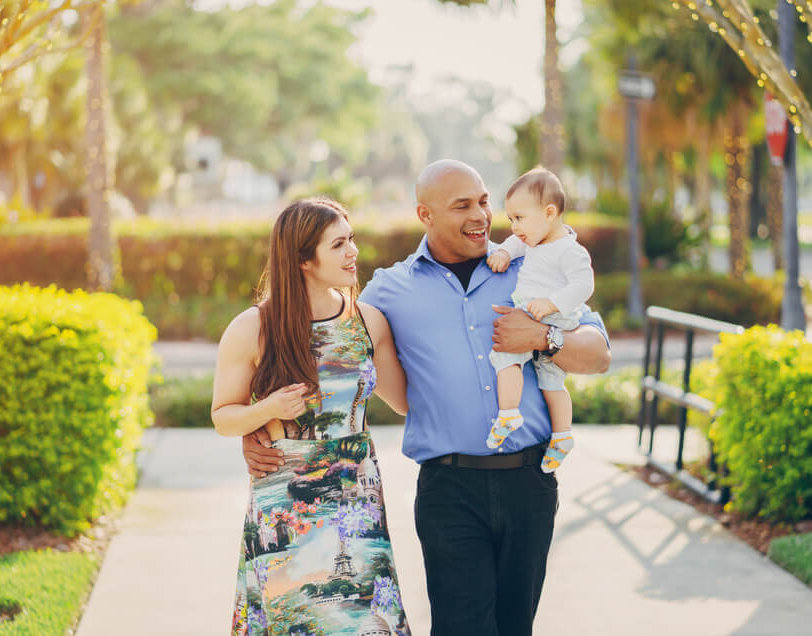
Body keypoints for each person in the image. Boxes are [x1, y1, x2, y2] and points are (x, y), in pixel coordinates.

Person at [242, 160, 611, 636]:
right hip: (449, 489)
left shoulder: (532, 265)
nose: (481, 215)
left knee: (515, 626)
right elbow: (323, 355)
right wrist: (260, 427)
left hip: (530, 483)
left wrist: (542, 337)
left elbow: (598, 355)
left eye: (483, 201)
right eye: (463, 206)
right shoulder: (388, 291)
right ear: (426, 214)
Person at [212, 198, 412, 636]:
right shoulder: (253, 328)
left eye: (352, 239)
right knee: (297, 621)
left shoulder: (368, 322)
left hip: (356, 498)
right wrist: (267, 410)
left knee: (364, 621)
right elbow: (224, 417)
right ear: (303, 259)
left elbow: (404, 401)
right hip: (286, 505)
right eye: (338, 244)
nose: (352, 252)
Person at [485, 167, 595, 474]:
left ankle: (509, 414)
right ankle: (561, 437)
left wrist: (551, 303)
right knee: (547, 380)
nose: (514, 227)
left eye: (519, 218)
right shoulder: (534, 239)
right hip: (534, 314)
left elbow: (584, 286)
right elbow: (515, 243)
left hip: (553, 319)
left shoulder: (569, 250)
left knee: (508, 356)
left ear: (549, 213)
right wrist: (505, 253)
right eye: (510, 219)